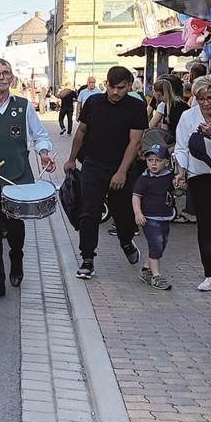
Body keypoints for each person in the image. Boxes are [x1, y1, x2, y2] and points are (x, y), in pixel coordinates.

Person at [0, 59, 54, 299]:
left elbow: (40, 135)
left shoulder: (23, 106)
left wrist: (44, 153)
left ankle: (17, 259)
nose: (0, 77)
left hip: (18, 179)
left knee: (14, 229)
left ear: (11, 78)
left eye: (5, 73)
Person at [63, 66, 147, 279]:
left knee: (124, 215)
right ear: (106, 84)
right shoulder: (93, 102)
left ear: (129, 85)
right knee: (89, 212)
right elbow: (81, 131)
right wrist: (72, 159)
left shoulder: (136, 107)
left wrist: (121, 172)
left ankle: (126, 241)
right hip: (93, 165)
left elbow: (135, 142)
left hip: (122, 168)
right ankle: (87, 259)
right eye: (111, 87)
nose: (115, 92)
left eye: (120, 88)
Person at [173, 75, 211, 291]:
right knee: (206, 224)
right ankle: (210, 273)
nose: (207, 103)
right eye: (201, 99)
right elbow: (181, 147)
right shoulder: (189, 117)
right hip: (200, 177)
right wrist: (180, 173)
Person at [132, 143, 174, 291]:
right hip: (149, 218)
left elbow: (176, 191)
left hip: (165, 217)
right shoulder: (144, 179)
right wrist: (138, 213)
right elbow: (136, 196)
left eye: (158, 160)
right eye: (150, 160)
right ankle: (156, 276)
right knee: (155, 244)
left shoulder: (169, 176)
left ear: (166, 162)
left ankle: (146, 269)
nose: (154, 164)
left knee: (161, 244)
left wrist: (180, 185)